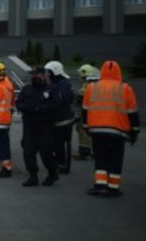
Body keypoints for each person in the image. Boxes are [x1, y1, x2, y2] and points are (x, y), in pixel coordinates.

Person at [83, 61, 140, 197]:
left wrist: (86, 127)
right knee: (115, 158)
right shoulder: (125, 88)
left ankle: (99, 185)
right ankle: (112, 187)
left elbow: (85, 109)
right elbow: (132, 112)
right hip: (118, 130)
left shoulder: (92, 87)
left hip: (97, 129)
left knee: (100, 157)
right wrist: (134, 130)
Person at [15, 67, 59, 187]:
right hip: (29, 125)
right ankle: (33, 176)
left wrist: (39, 109)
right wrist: (25, 107)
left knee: (46, 152)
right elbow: (18, 103)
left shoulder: (51, 89)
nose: (35, 77)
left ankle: (52, 173)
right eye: (33, 75)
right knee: (28, 151)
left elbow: (55, 104)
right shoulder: (26, 89)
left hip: (45, 125)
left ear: (44, 76)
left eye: (38, 74)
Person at [44, 61, 76, 174]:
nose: (47, 75)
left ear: (55, 71)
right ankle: (57, 162)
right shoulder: (56, 84)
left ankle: (64, 165)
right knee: (55, 143)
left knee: (64, 143)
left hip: (64, 119)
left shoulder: (63, 84)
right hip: (55, 119)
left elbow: (62, 100)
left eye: (49, 72)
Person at [73, 64, 99, 161]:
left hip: (87, 112)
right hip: (97, 112)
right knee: (96, 133)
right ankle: (97, 153)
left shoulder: (86, 84)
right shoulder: (97, 83)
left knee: (83, 132)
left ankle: (84, 153)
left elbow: (80, 98)